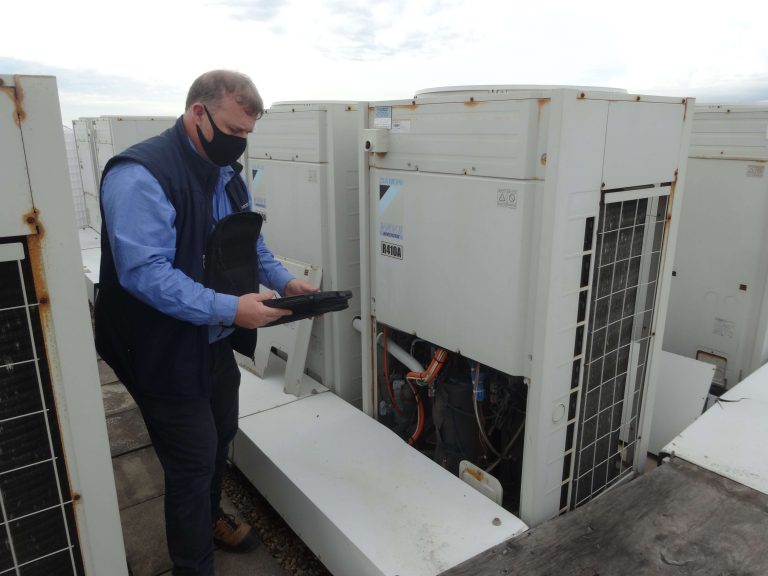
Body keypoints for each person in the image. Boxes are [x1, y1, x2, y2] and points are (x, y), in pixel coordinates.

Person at [94, 70, 318, 576]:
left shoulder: (223, 174)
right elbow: (144, 274)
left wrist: (284, 282)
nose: (239, 146)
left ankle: (210, 517)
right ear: (199, 113)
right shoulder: (140, 175)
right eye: (234, 131)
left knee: (221, 433)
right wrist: (231, 308)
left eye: (247, 136)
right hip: (154, 344)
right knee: (192, 459)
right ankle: (193, 566)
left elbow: (246, 241)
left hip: (209, 338)